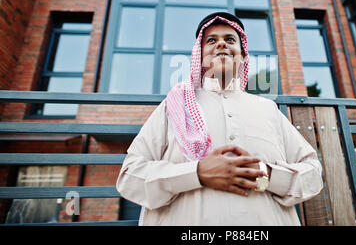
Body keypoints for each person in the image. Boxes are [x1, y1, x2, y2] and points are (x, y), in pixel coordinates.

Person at [116, 12, 323, 225]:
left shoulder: (268, 109)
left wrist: (266, 175)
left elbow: (313, 174)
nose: (221, 44)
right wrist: (196, 173)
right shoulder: (173, 106)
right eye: (212, 40)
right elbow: (130, 177)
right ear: (199, 55)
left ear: (242, 56)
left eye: (230, 40)